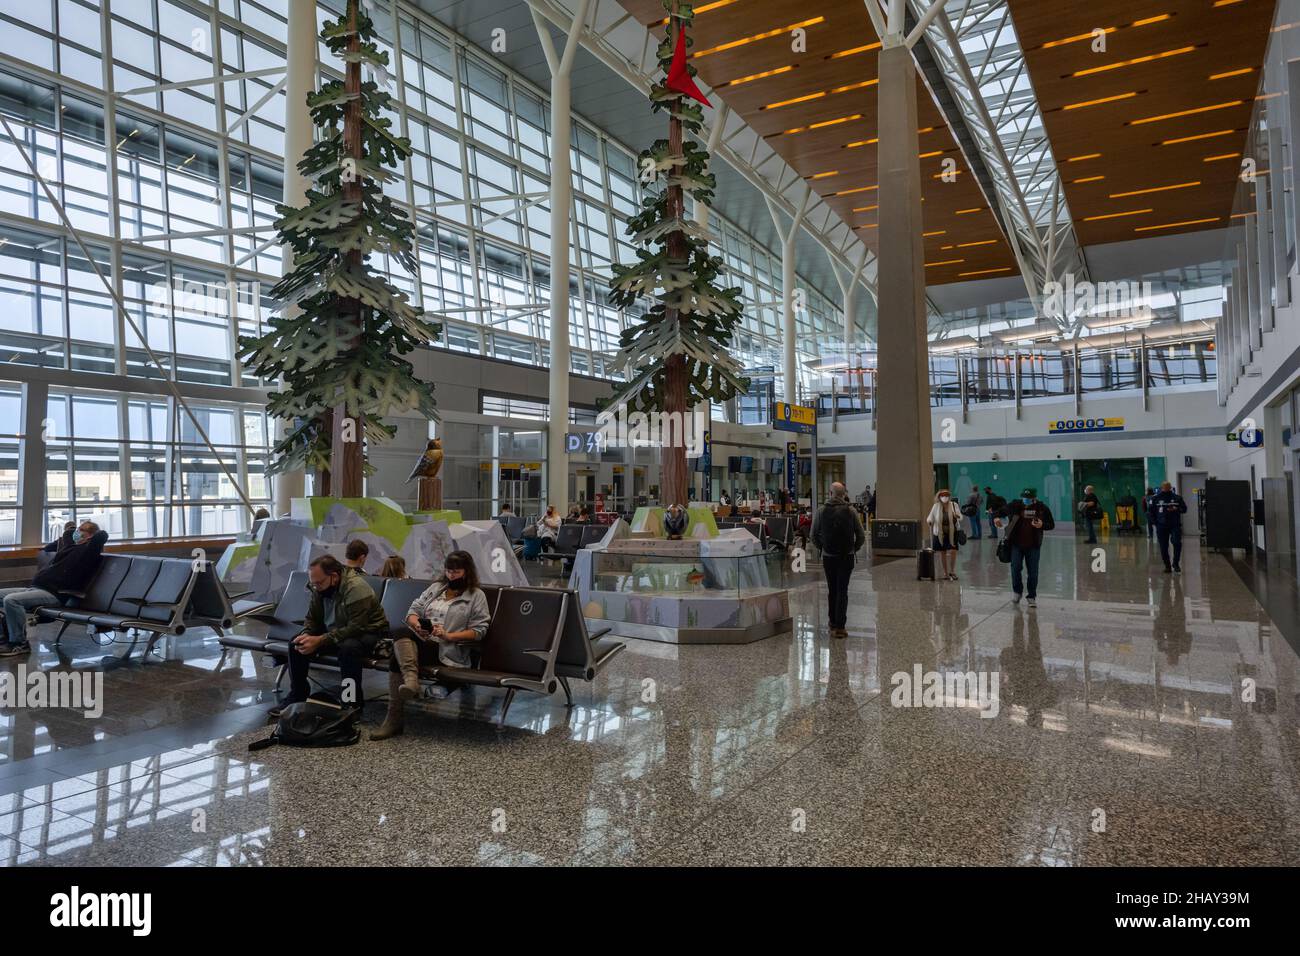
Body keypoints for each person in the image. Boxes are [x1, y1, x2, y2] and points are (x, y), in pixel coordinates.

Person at [372, 550, 491, 739]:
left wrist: (449, 635)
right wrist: (417, 625)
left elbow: (479, 631)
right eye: (449, 571)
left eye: (456, 572)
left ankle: (394, 718)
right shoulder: (437, 588)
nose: (452, 575)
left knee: (398, 653)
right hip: (424, 642)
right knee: (401, 633)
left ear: (467, 571)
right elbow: (413, 611)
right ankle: (411, 682)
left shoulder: (476, 596)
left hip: (448, 649)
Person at [272, 555, 389, 716]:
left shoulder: (356, 588)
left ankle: (351, 703)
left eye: (319, 583)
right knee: (296, 643)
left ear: (334, 577)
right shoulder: (318, 587)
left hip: (368, 631)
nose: (316, 587)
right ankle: (298, 694)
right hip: (337, 630)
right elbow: (312, 619)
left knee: (349, 649)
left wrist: (320, 640)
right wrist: (307, 634)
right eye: (314, 583)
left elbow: (356, 627)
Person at [0, 521, 108, 657]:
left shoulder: (89, 552)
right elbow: (68, 533)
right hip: (36, 589)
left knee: (12, 600)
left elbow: (102, 536)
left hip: (55, 594)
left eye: (82, 531)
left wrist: (94, 534)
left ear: (90, 536)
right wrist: (76, 529)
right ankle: (3, 637)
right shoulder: (69, 547)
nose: (77, 533)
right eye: (78, 530)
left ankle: (19, 643)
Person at [812, 482, 865, 640]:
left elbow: (813, 536)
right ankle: (841, 627)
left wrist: (823, 548)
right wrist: (852, 549)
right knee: (843, 590)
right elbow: (861, 536)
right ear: (844, 494)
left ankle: (832, 623)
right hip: (846, 557)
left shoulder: (821, 511)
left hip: (829, 557)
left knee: (832, 589)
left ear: (830, 493)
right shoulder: (851, 511)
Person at [995, 487, 1055, 608]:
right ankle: (1017, 592)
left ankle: (1031, 596)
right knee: (1015, 568)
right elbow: (1000, 511)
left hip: (1033, 545)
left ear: (1034, 498)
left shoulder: (1041, 508)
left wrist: (1042, 524)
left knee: (1033, 572)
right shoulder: (1015, 505)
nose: (1026, 500)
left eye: (1028, 498)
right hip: (1016, 544)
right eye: (1024, 498)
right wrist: (996, 518)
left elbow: (1051, 524)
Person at [1148, 481, 1188, 573]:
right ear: (1161, 487)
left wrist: (1176, 509)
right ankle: (1167, 566)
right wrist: (1156, 523)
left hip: (1175, 525)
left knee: (1177, 543)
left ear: (1170, 487)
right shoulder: (1155, 498)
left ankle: (1176, 563)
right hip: (1161, 526)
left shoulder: (1177, 498)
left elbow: (1184, 509)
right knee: (1163, 546)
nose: (1166, 488)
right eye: (1164, 487)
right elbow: (1150, 512)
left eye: (1168, 487)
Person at [926, 489, 964, 581]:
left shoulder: (954, 505)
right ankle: (945, 573)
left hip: (952, 532)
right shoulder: (936, 506)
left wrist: (957, 516)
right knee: (942, 552)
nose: (945, 497)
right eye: (943, 496)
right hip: (940, 533)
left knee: (953, 551)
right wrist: (930, 521)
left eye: (947, 495)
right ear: (939, 497)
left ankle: (952, 571)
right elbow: (930, 517)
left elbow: (961, 516)